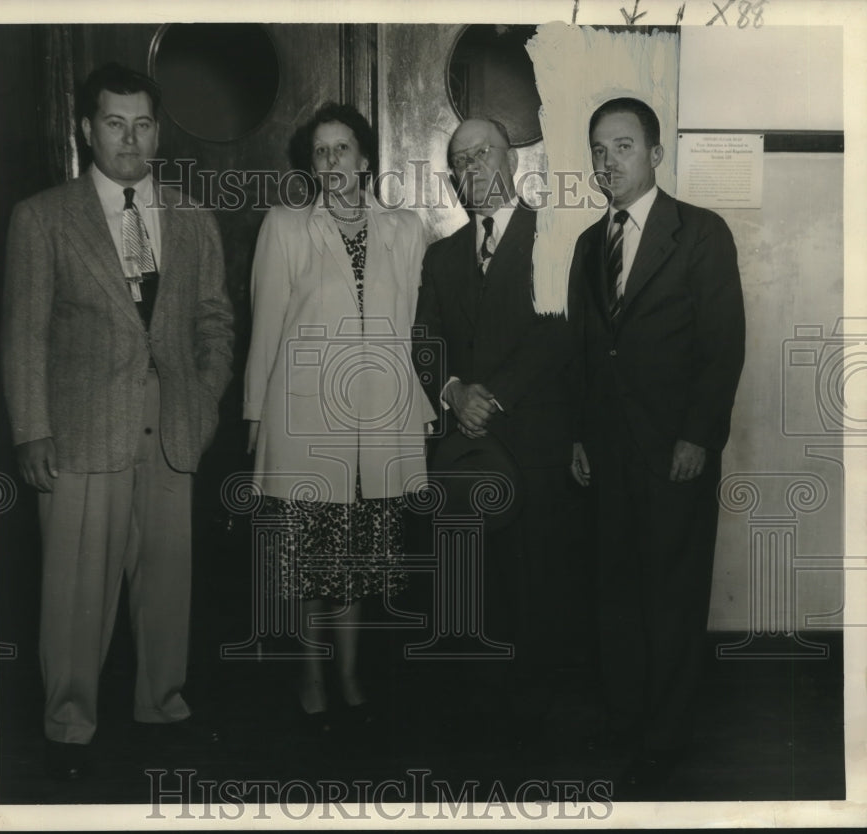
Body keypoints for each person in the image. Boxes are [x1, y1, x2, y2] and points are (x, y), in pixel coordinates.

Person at [1, 63, 234, 780]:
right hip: (78, 433)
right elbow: (24, 334)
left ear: (156, 131)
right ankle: (69, 724)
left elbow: (214, 319)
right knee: (75, 592)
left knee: (167, 584)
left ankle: (161, 706)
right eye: (113, 123)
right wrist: (30, 428)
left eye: (141, 125)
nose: (129, 139)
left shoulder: (191, 218)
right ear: (86, 129)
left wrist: (207, 393)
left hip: (170, 427)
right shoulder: (42, 216)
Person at [568, 97, 746, 792]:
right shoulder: (588, 243)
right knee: (615, 590)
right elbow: (585, 350)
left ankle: (665, 737)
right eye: (599, 150)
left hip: (675, 450)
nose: (608, 161)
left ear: (655, 154)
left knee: (671, 594)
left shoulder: (700, 233)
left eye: (623, 146)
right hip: (607, 452)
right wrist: (580, 435)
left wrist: (698, 437)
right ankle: (625, 718)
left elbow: (722, 347)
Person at [243, 102, 433, 734]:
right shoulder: (286, 226)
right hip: (302, 420)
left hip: (377, 419)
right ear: (311, 164)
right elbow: (266, 326)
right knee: (306, 561)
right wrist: (253, 414)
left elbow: (412, 328)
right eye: (321, 153)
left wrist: (420, 410)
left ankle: (349, 675)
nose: (331, 163)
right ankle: (311, 673)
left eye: (342, 150)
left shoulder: (405, 228)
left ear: (365, 159)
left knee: (355, 561)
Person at [413, 118, 573, 747]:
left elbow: (558, 331)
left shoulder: (554, 236)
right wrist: (452, 391)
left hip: (532, 442)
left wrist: (493, 395)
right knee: (469, 585)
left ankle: (532, 728)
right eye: (460, 159)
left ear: (512, 160)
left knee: (534, 584)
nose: (472, 166)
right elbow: (424, 340)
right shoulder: (442, 255)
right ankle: (477, 724)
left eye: (484, 153)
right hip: (464, 450)